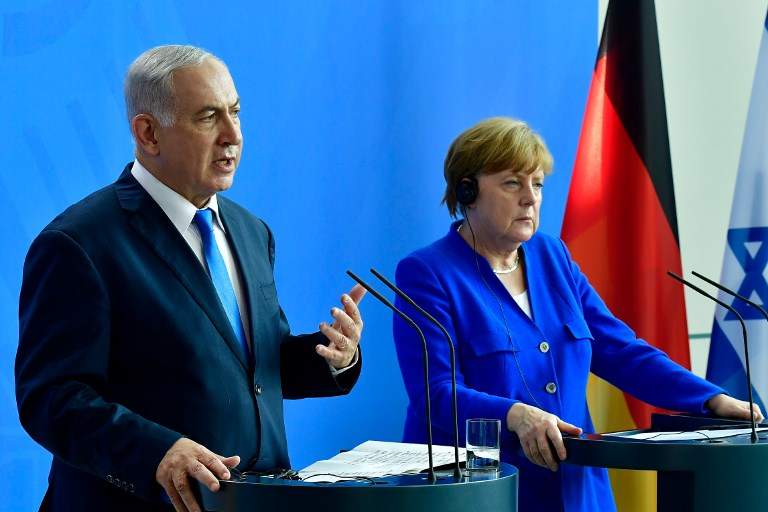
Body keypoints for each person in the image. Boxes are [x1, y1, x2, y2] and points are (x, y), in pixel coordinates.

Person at [15, 45, 365, 512]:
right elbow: (52, 399)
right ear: (148, 133)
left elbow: (255, 365)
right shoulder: (79, 243)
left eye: (235, 112)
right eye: (207, 117)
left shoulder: (249, 231)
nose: (232, 134)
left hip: (255, 500)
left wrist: (332, 358)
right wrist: (156, 451)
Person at [392, 117, 763, 511]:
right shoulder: (427, 273)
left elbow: (620, 350)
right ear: (467, 191)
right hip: (491, 492)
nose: (530, 198)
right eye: (512, 183)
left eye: (537, 184)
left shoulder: (553, 258)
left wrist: (710, 400)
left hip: (579, 490)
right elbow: (433, 395)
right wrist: (514, 415)